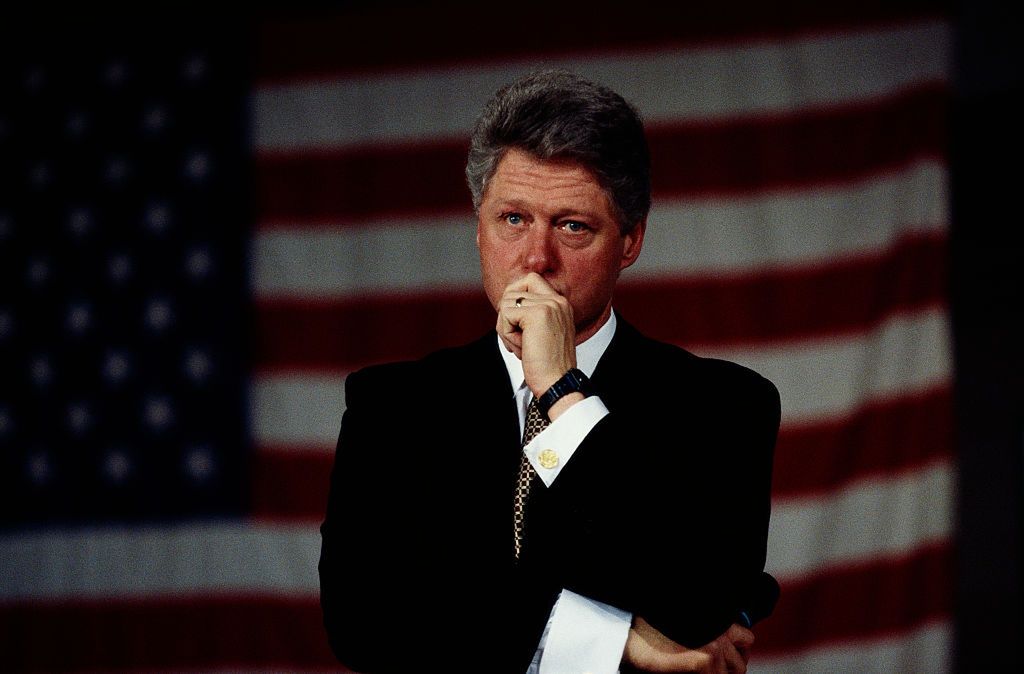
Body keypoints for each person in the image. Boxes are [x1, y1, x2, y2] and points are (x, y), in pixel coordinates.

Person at [319, 69, 781, 674]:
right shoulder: (392, 408)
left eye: (573, 226)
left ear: (630, 240)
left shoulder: (723, 406)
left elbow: (695, 605)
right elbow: (364, 622)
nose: (536, 258)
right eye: (512, 219)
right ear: (478, 230)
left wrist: (563, 392)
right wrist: (615, 639)